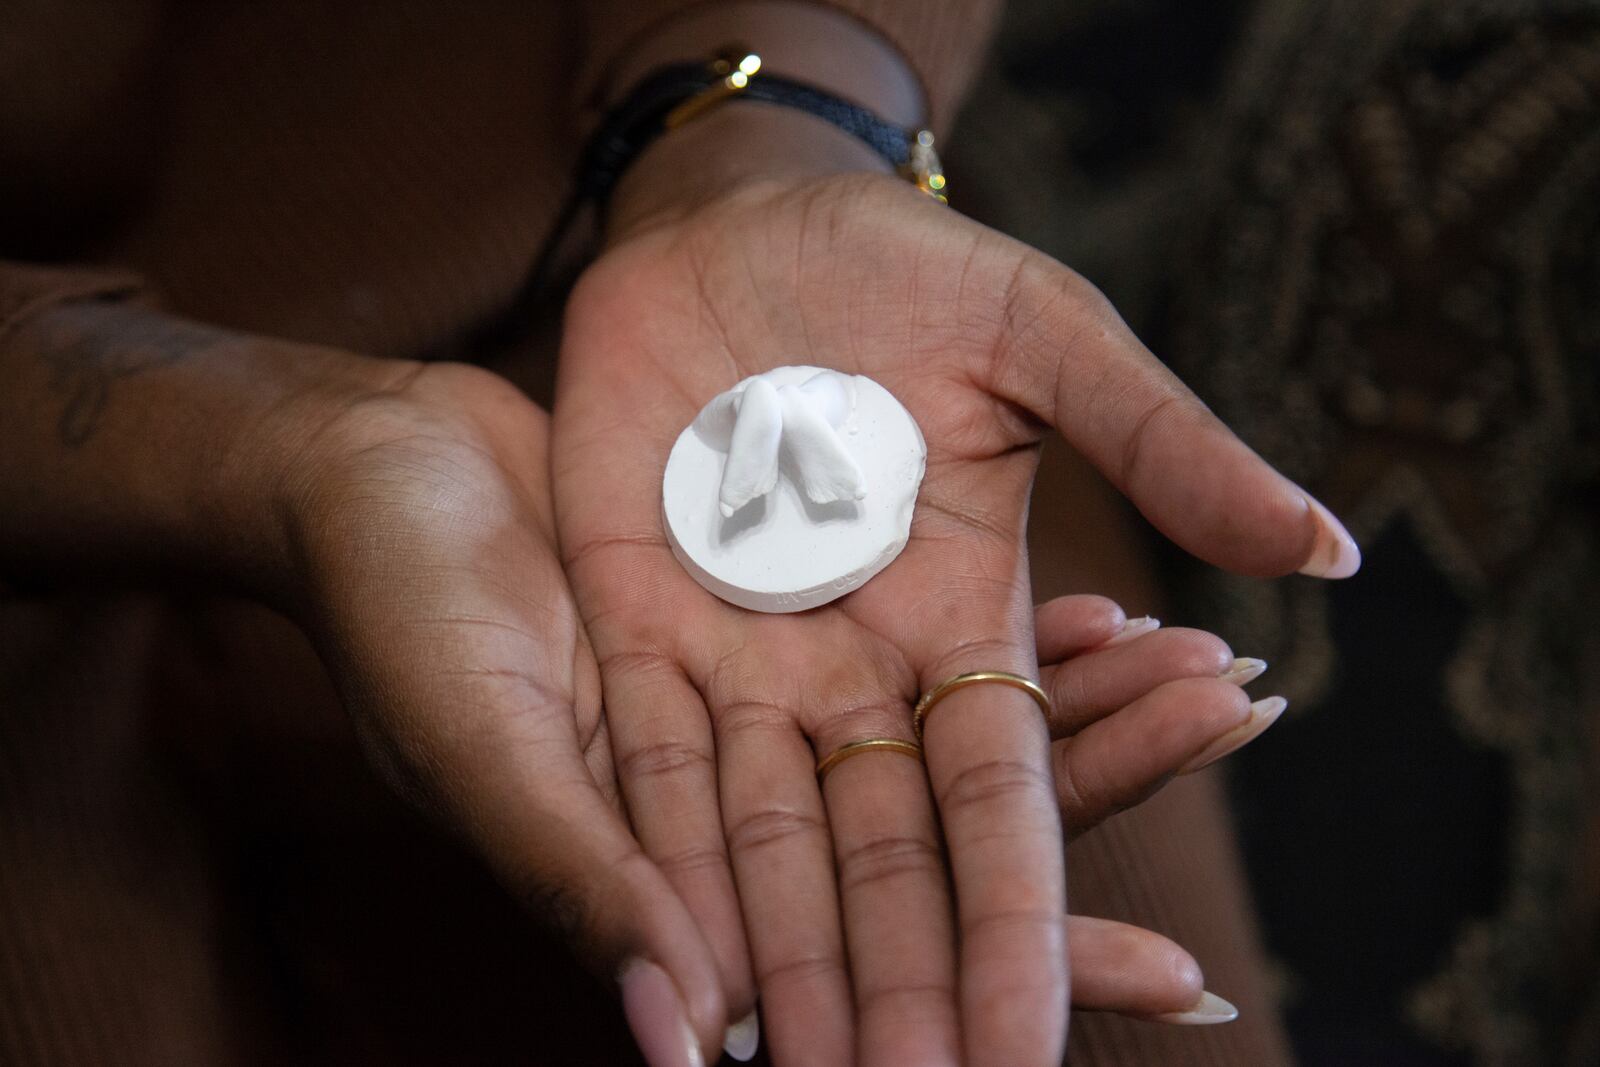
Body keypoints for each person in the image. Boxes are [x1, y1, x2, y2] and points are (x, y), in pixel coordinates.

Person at [0, 2, 1358, 1064]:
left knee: (1028, 956)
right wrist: (245, 448)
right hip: (91, 513)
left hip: (666, 242)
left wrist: (765, 133)